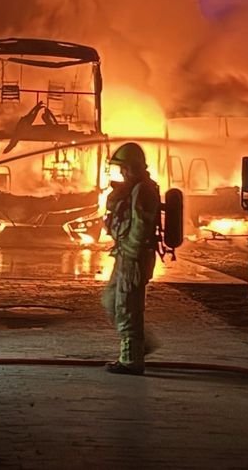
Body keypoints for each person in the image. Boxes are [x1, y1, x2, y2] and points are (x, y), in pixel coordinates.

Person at [101, 142, 161, 375]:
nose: (122, 173)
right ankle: (140, 344)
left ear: (132, 167)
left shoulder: (143, 190)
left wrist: (131, 252)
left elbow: (140, 226)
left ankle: (131, 360)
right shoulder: (133, 188)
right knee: (110, 300)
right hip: (124, 253)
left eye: (124, 168)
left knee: (127, 307)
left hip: (133, 256)